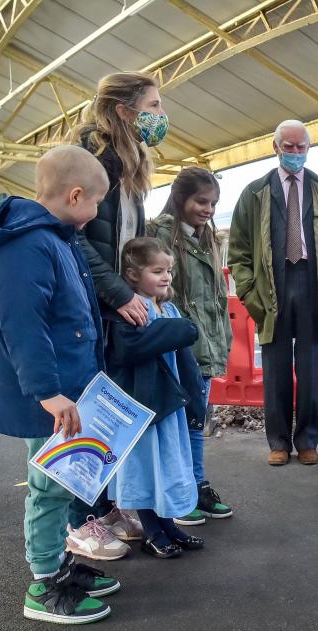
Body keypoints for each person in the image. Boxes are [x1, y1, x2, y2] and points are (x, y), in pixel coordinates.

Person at [0, 145, 119, 624]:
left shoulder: (53, 238)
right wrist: (48, 392)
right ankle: (43, 582)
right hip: (52, 395)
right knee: (50, 483)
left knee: (64, 478)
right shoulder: (30, 243)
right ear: (75, 195)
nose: (96, 212)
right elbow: (23, 324)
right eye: (96, 202)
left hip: (68, 388)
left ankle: (58, 563)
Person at [66, 71, 169, 558]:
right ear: (124, 111)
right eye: (152, 104)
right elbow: (78, 237)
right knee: (89, 411)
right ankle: (82, 520)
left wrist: (144, 286)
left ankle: (104, 507)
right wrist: (117, 294)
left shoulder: (129, 165)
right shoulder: (92, 159)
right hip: (96, 305)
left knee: (111, 410)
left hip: (117, 302)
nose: (160, 115)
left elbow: (129, 240)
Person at [228, 119, 318, 467]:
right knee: (275, 368)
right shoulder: (254, 193)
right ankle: (278, 441)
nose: (296, 153)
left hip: (315, 286)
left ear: (309, 149)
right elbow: (238, 250)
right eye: (289, 147)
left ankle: (308, 439)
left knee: (311, 366)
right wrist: (249, 290)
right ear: (276, 147)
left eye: (302, 147)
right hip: (272, 288)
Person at [106, 237, 206, 559]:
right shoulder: (135, 308)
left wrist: (194, 397)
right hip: (147, 403)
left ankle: (169, 526)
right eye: (157, 271)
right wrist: (183, 329)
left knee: (166, 465)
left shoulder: (169, 307)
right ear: (133, 275)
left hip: (170, 403)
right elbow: (140, 346)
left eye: (169, 271)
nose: (166, 277)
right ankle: (151, 530)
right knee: (147, 466)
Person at [148, 167, 235, 525]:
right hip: (178, 344)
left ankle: (195, 486)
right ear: (181, 198)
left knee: (196, 420)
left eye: (213, 203)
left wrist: (222, 339)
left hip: (205, 344)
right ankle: (184, 491)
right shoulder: (160, 234)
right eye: (202, 201)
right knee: (181, 423)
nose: (208, 209)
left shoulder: (209, 238)